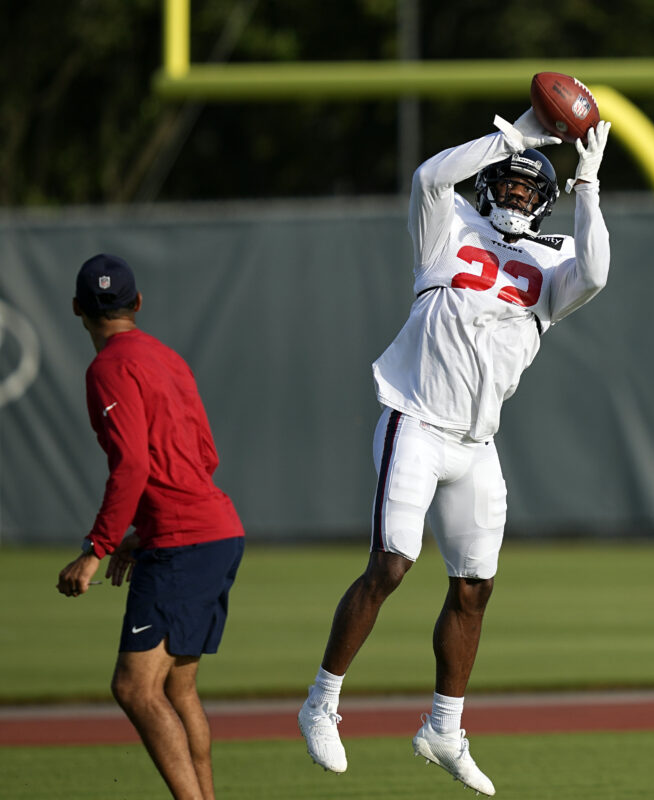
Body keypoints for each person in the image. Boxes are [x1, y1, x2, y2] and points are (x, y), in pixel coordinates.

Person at [298, 107, 611, 795]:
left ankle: (444, 727)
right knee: (392, 563)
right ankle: (322, 699)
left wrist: (587, 183)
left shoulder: (551, 259)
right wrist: (517, 135)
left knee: (475, 587)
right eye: (510, 184)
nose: (519, 195)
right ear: (489, 186)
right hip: (414, 419)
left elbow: (595, 272)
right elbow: (428, 178)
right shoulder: (448, 230)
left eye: (533, 190)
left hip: (477, 443)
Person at [56, 254, 246, 800]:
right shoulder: (167, 357)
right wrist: (149, 530)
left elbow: (134, 464)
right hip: (217, 530)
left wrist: (98, 547)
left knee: (135, 687)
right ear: (137, 304)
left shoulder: (107, 368)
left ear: (77, 310)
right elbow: (204, 453)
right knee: (177, 688)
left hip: (186, 543)